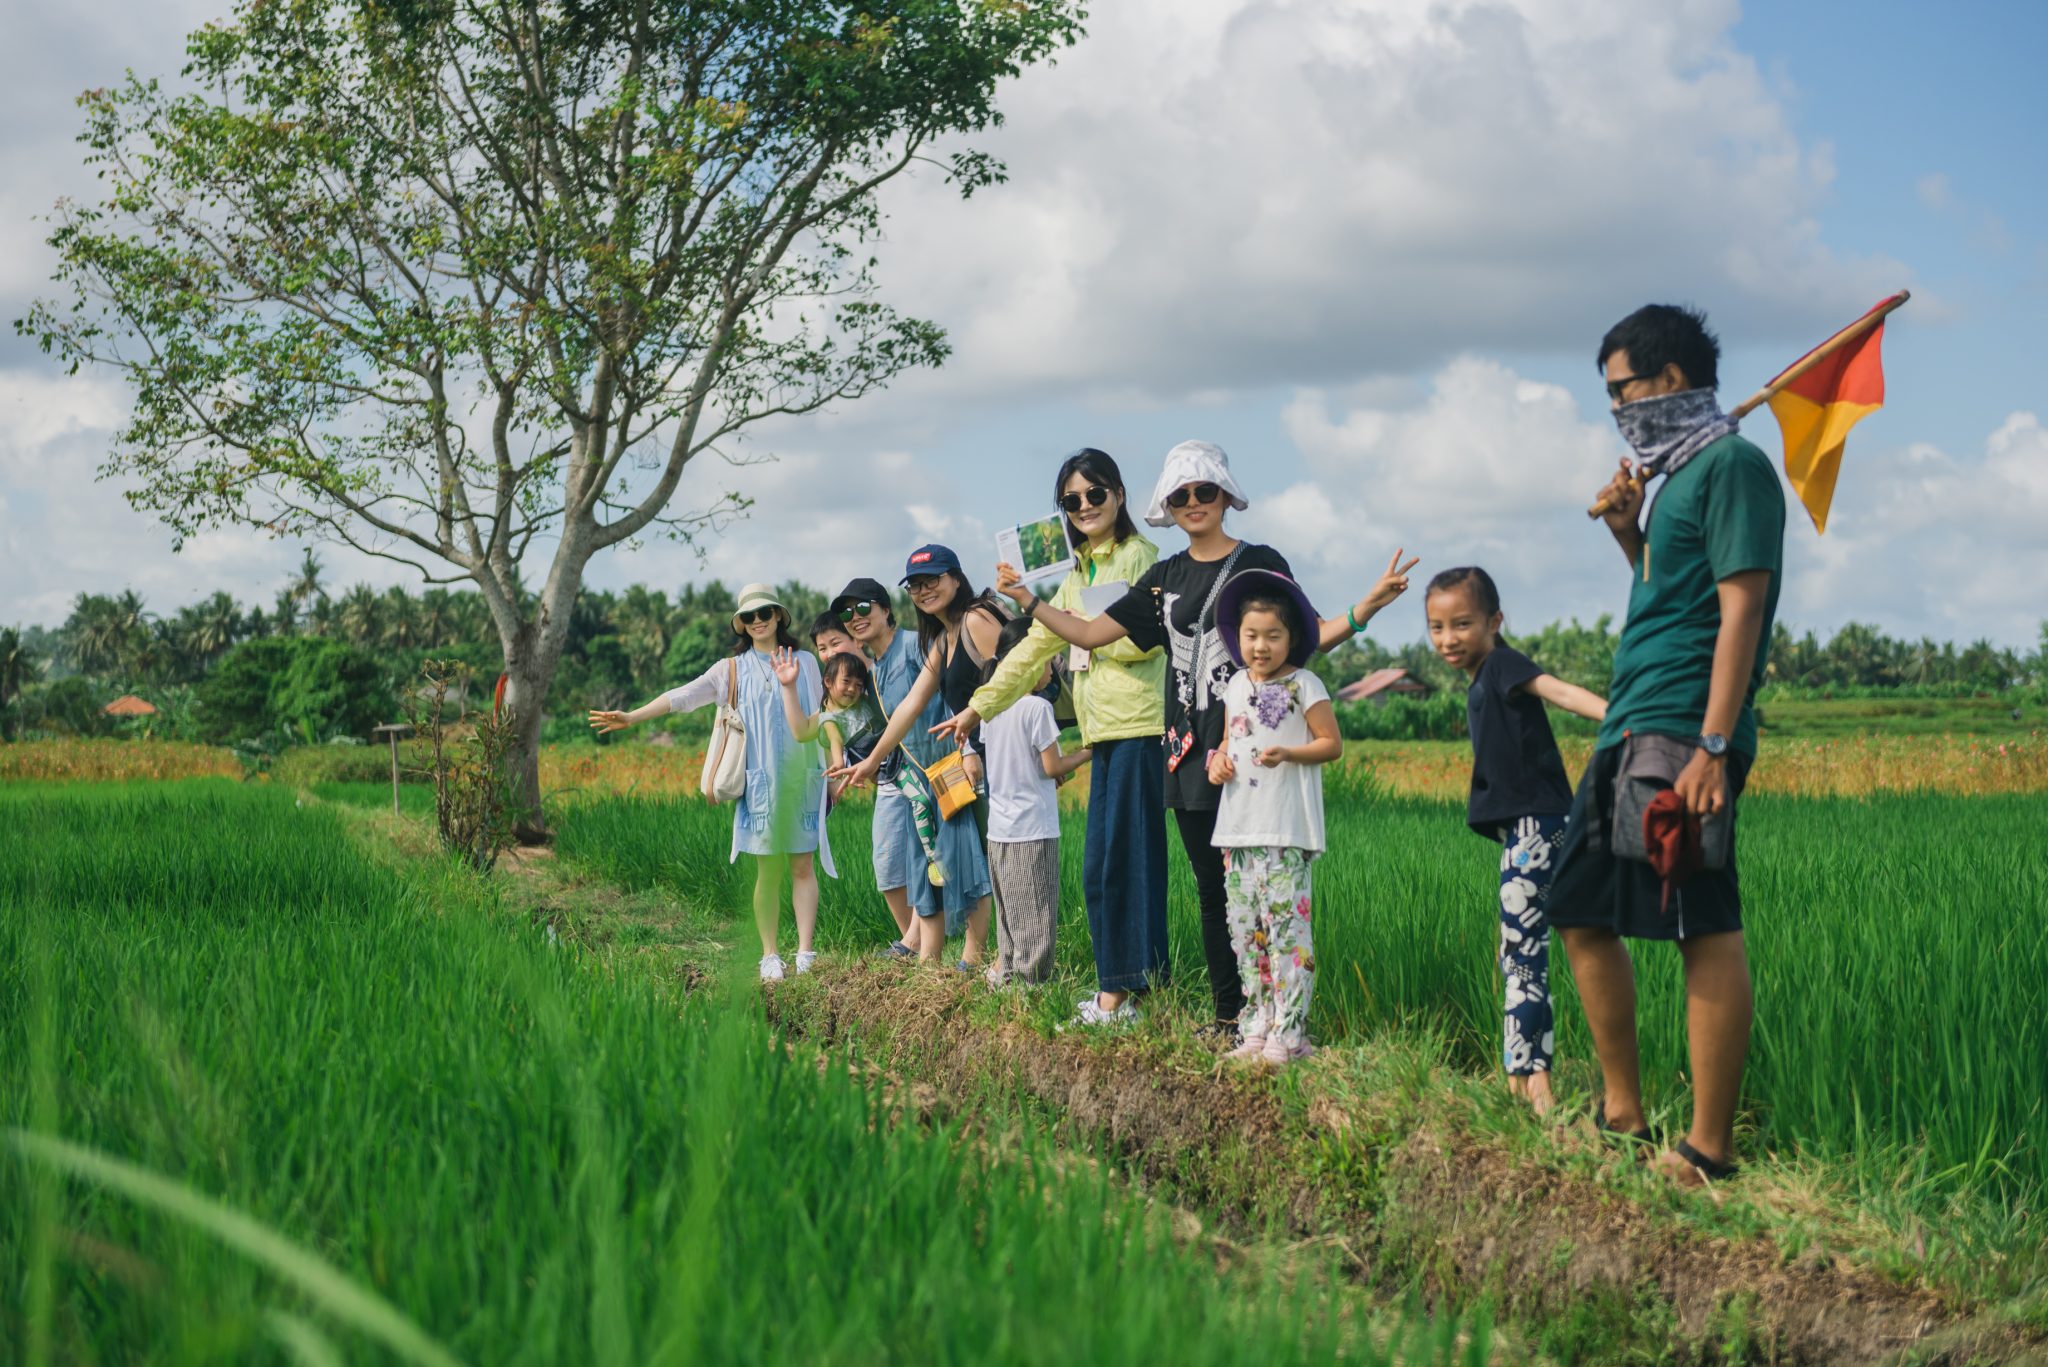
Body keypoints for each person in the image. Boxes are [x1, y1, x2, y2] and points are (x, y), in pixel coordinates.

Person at [980, 440, 1415, 1041]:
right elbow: (1086, 630)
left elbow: (1309, 635)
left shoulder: (1259, 561)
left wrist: (1367, 607)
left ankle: (1280, 1019)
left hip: (1250, 750)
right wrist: (1027, 601)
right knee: (1214, 890)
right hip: (1188, 752)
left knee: (1268, 889)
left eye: (1203, 491)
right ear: (1168, 504)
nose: (1193, 503)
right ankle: (1230, 1017)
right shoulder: (1164, 579)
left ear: (1224, 495)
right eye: (1181, 495)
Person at [1548, 302, 1785, 1187]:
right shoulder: (1674, 476)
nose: (1616, 410)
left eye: (1623, 391)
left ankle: (1708, 1150)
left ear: (1670, 381)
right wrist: (1627, 531)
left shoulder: (1734, 465)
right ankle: (1623, 1114)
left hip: (1687, 727)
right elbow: (1668, 589)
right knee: (1577, 905)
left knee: (1699, 919)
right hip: (1630, 719)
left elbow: (1739, 609)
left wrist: (1714, 744)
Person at [932, 448, 1166, 1027]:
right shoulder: (1077, 573)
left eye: (1095, 494)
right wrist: (976, 709)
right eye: (1071, 500)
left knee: (1126, 864)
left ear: (1119, 495)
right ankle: (1123, 990)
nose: (1084, 506)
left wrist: (1074, 628)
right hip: (1103, 730)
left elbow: (1138, 643)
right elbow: (1033, 647)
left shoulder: (1140, 558)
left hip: (1137, 725)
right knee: (1101, 868)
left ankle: (1125, 997)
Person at [1425, 566, 1608, 1115]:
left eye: (1462, 624)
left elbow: (1558, 691)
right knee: (1517, 955)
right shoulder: (1482, 677)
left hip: (1536, 825)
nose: (1448, 639)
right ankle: (1523, 1080)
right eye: (1436, 627)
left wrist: (1622, 716)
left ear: (1494, 621)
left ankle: (1536, 1088)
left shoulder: (1502, 663)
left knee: (1523, 959)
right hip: (1527, 828)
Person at [587, 583, 834, 982]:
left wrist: (839, 767)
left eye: (764, 614)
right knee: (767, 871)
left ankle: (806, 951)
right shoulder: (730, 670)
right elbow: (683, 696)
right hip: (760, 784)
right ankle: (770, 955)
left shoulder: (806, 661)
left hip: (802, 780)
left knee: (803, 866)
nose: (758, 622)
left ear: (778, 616)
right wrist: (633, 716)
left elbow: (829, 712)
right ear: (741, 624)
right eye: (749, 617)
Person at [834, 546, 1001, 969]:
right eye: (916, 584)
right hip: (924, 775)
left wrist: (969, 749)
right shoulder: (938, 639)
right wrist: (872, 762)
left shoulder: (968, 622)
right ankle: (929, 956)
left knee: (966, 855)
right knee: (928, 861)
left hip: (961, 762)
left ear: (956, 579)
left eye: (933, 580)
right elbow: (910, 706)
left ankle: (974, 957)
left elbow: (1011, 680)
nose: (924, 590)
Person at [1203, 569, 1343, 1066]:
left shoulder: (1306, 683)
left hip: (1285, 827)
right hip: (1238, 829)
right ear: (1237, 638)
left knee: (1287, 933)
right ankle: (1256, 1026)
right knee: (1246, 934)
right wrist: (1215, 761)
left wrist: (1289, 753)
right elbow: (1227, 742)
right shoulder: (1236, 685)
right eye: (1251, 636)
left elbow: (1332, 744)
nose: (1260, 646)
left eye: (1273, 636)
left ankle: (1292, 1034)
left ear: (1292, 638)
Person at [979, 617, 1092, 986]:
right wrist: (1090, 752)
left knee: (1009, 909)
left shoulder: (991, 708)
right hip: (1033, 826)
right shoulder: (1038, 709)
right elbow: (1051, 767)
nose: (1050, 672)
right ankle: (1032, 983)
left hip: (999, 828)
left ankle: (1008, 971)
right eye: (1046, 662)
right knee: (1037, 907)